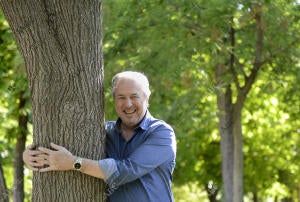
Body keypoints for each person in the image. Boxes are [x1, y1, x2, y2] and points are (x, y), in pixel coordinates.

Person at [23, 71, 177, 202]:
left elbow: (125, 171)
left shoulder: (161, 133)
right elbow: (67, 149)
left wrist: (74, 163)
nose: (128, 104)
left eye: (134, 96)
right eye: (121, 97)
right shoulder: (104, 132)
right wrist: (30, 156)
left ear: (147, 98)